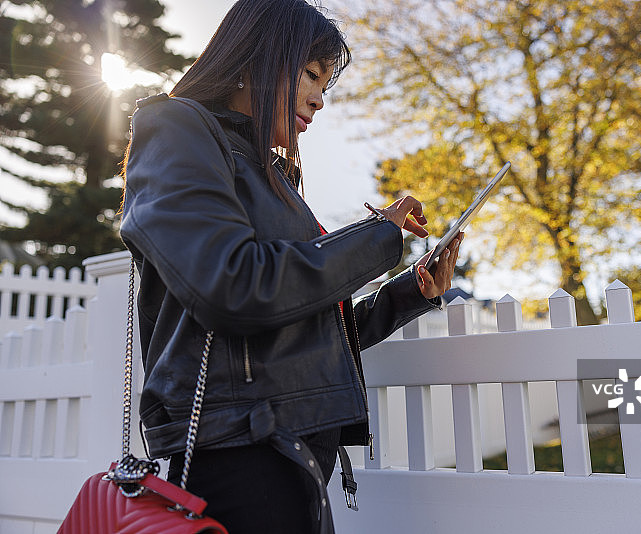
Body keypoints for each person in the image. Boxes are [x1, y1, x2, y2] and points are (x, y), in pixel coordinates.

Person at [119, 0, 462, 532]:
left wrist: (410, 292)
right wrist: (377, 238)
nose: (320, 100)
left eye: (325, 84)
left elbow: (307, 327)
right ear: (257, 57)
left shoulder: (271, 175)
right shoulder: (177, 130)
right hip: (240, 456)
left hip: (292, 458)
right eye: (311, 74)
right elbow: (234, 284)